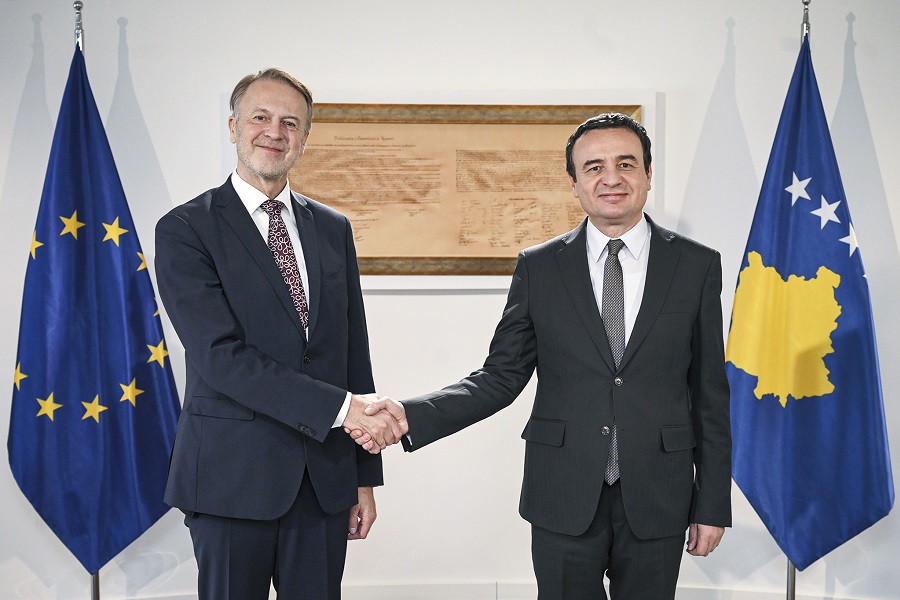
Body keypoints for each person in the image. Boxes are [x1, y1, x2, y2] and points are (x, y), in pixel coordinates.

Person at [355, 113, 732, 599]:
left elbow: (710, 395)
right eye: (594, 167)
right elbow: (500, 376)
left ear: (648, 173)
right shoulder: (539, 267)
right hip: (562, 491)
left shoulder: (697, 265)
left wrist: (712, 504)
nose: (611, 178)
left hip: (660, 494)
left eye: (625, 164)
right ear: (573, 183)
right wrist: (411, 414)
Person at [155, 68, 406, 600]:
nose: (275, 132)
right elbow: (220, 358)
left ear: (305, 138)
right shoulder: (186, 229)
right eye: (260, 117)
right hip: (230, 480)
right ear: (233, 126)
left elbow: (353, 356)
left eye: (290, 123)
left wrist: (363, 476)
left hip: (323, 482)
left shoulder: (333, 228)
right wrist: (341, 409)